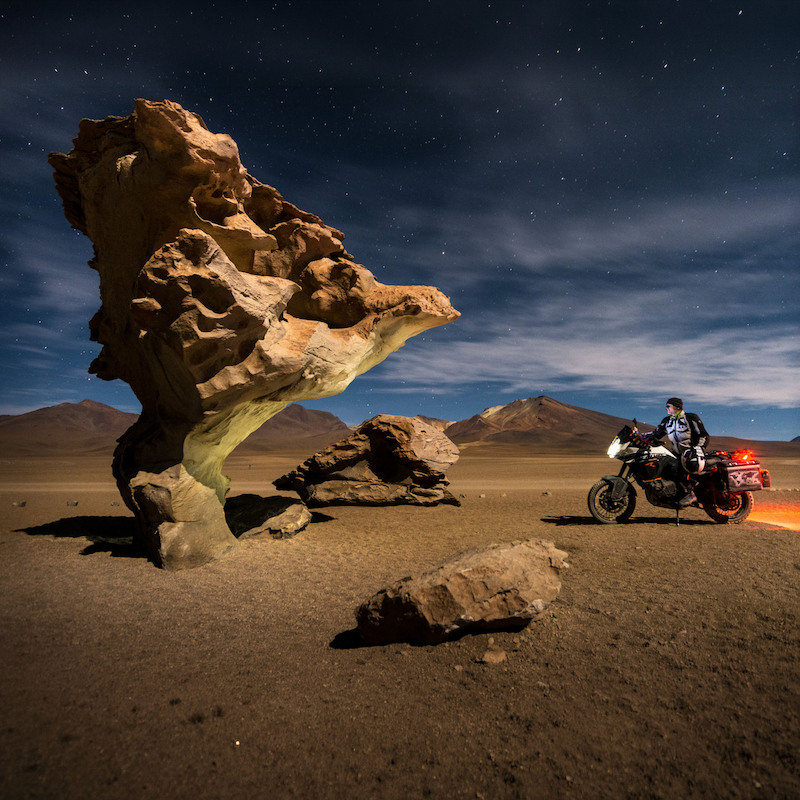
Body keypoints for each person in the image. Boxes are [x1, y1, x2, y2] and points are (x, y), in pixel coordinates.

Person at [648, 397, 710, 506]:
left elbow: (703, 435)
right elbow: (656, 434)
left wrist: (697, 448)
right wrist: (640, 436)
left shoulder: (691, 418)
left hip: (691, 453)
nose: (666, 408)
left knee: (682, 468)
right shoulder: (667, 421)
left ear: (677, 407)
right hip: (676, 453)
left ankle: (690, 493)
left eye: (668, 406)